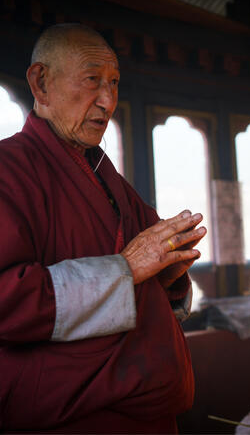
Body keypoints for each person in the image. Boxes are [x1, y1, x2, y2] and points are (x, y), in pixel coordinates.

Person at [0, 23, 207, 434]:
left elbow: (147, 282)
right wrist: (126, 269)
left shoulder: (107, 178)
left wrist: (168, 277)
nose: (108, 100)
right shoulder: (9, 171)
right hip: (72, 417)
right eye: (92, 80)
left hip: (150, 410)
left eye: (114, 83)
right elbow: (7, 300)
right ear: (41, 83)